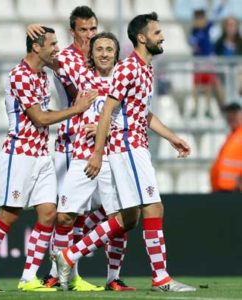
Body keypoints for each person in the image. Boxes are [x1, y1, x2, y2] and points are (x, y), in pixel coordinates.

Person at [54, 12, 196, 293]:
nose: (163, 36)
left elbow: (143, 113)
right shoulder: (129, 68)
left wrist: (172, 138)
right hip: (128, 145)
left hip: (132, 144)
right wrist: (97, 152)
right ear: (141, 38)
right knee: (154, 207)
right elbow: (108, 108)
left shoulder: (144, 68)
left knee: (128, 218)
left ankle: (69, 255)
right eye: (157, 33)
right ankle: (161, 278)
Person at [0, 26, 96, 293]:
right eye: (52, 44)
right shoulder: (20, 76)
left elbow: (50, 103)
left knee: (48, 214)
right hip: (19, 154)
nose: (56, 49)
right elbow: (39, 118)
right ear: (36, 47)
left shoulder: (42, 75)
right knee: (9, 215)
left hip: (40, 154)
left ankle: (28, 278)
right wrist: (76, 109)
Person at [27, 6, 131, 291]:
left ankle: (111, 276)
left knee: (115, 214)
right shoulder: (70, 61)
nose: (89, 36)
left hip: (109, 149)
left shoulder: (116, 69)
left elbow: (132, 112)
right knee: (66, 214)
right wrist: (33, 34)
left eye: (93, 30)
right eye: (83, 30)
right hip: (71, 144)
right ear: (72, 31)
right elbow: (40, 58)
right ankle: (57, 272)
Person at [55, 31, 136, 291]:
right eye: (98, 49)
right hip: (82, 156)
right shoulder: (83, 77)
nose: (103, 53)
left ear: (116, 54)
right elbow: (51, 59)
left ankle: (113, 278)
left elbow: (137, 117)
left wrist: (108, 128)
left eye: (109, 49)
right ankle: (64, 275)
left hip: (114, 158)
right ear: (91, 53)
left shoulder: (124, 80)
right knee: (65, 217)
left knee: (118, 220)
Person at [189, 0, 227, 118]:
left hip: (208, 61)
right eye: (198, 19)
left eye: (202, 19)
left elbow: (215, 16)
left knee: (207, 85)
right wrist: (193, 44)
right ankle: (194, 109)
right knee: (196, 85)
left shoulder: (206, 28)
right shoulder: (194, 31)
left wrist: (221, 5)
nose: (200, 22)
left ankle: (208, 108)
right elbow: (191, 42)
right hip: (198, 62)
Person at [210, 102, 242, 192]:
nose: (231, 117)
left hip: (236, 190)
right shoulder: (231, 137)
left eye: (234, 113)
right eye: (229, 113)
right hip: (223, 189)